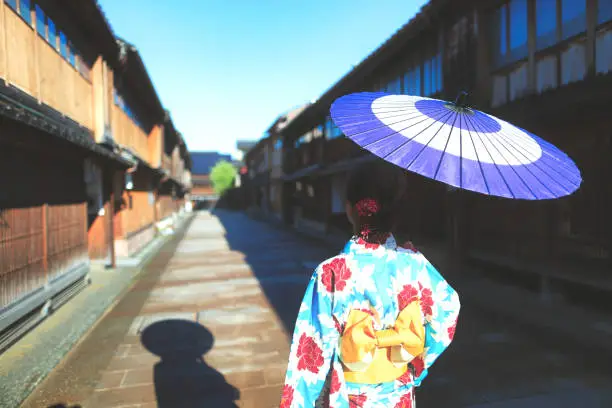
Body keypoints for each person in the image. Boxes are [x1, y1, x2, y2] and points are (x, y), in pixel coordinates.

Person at [280, 161, 460, 408]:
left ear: (350, 209)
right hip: (399, 394)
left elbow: (309, 356)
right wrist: (416, 363)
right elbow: (448, 310)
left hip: (349, 397)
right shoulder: (415, 264)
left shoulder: (331, 273)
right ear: (396, 212)